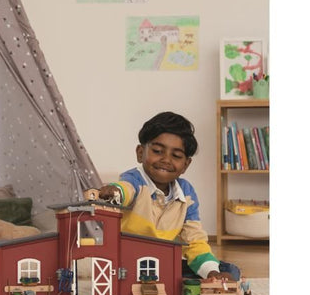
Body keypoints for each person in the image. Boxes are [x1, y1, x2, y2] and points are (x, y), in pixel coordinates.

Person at [99, 111, 239, 280]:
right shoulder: (134, 180)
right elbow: (125, 189)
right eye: (158, 151)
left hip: (163, 262)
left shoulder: (186, 194)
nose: (166, 160)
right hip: (127, 264)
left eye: (176, 156)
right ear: (140, 153)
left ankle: (209, 280)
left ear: (186, 164)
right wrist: (114, 192)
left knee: (229, 270)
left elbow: (194, 240)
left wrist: (212, 273)